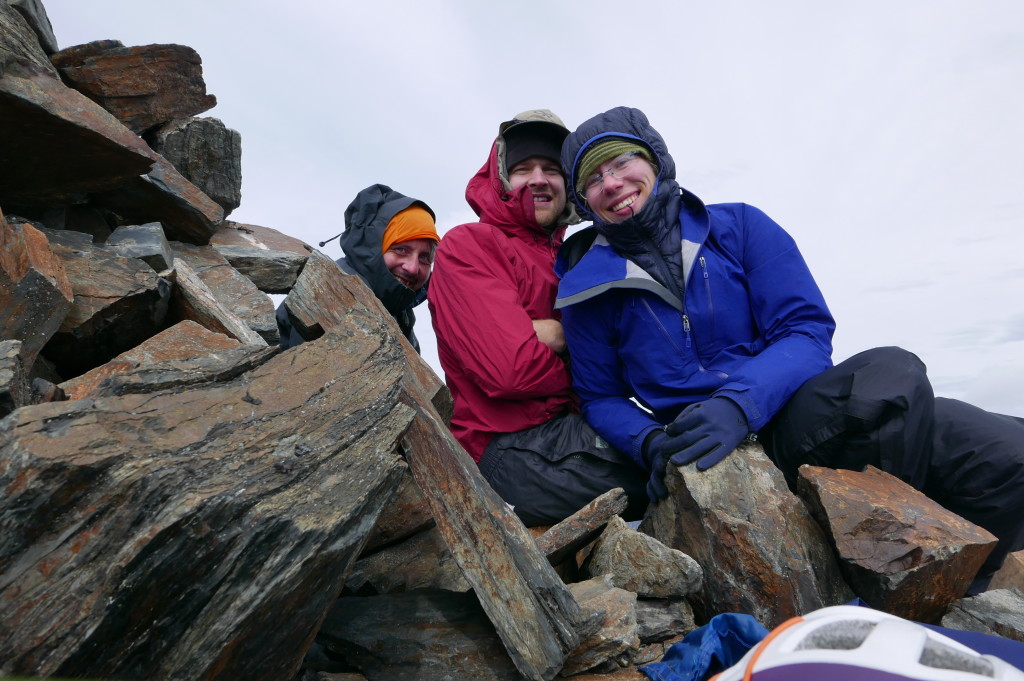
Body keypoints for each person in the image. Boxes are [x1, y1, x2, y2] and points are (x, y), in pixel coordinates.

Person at [554, 105, 1024, 592]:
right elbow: (601, 398)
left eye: (620, 162)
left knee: (1003, 448)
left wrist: (740, 404)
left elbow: (805, 329)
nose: (611, 183)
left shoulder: (739, 227)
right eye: (592, 179)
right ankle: (885, 581)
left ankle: (964, 595)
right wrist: (649, 443)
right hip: (708, 447)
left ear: (656, 162)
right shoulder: (585, 291)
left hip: (789, 412)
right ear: (585, 203)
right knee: (897, 376)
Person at [428, 109, 649, 527]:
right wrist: (577, 352)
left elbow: (631, 360)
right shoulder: (469, 246)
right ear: (499, 178)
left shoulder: (582, 257)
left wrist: (553, 337)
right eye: (522, 168)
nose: (538, 179)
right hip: (506, 449)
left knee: (686, 442)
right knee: (670, 466)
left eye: (551, 168)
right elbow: (510, 369)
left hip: (573, 430)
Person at [276, 184, 438, 352]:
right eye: (401, 250)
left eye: (425, 257)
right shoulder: (333, 293)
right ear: (373, 247)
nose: (412, 268)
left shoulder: (399, 312)